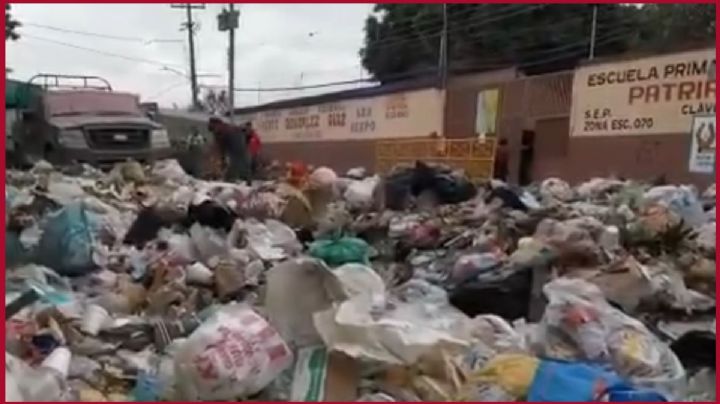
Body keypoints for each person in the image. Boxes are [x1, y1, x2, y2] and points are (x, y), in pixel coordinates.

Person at [207, 117, 250, 182]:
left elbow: (221, 147)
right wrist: (222, 160)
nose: (214, 131)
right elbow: (220, 148)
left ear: (218, 124)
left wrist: (223, 159)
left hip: (236, 146)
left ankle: (238, 179)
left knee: (237, 163)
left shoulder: (226, 130)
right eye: (212, 130)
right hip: (235, 147)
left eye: (214, 129)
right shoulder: (220, 131)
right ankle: (240, 179)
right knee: (237, 164)